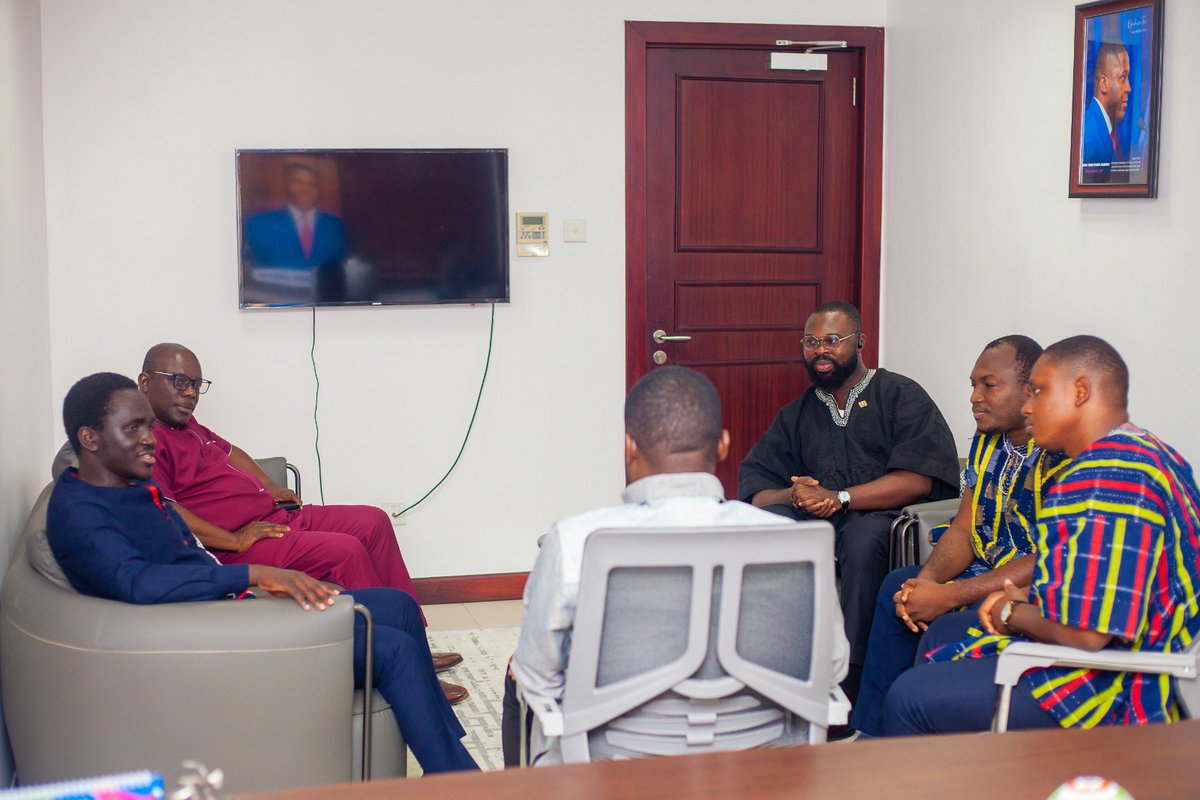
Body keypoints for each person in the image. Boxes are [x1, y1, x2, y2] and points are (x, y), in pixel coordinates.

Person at [46, 372, 478, 773]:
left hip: (233, 612)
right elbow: (137, 583)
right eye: (134, 429)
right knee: (393, 649)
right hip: (218, 642)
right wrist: (250, 575)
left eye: (148, 427)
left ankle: (449, 755)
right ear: (90, 438)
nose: (149, 440)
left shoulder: (127, 484)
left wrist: (253, 589)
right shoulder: (79, 515)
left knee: (398, 606)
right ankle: (458, 782)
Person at [506, 366, 849, 764]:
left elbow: (538, 678)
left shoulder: (576, 539)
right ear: (722, 445)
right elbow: (833, 665)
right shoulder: (793, 542)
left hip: (612, 773)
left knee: (517, 674)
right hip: (763, 769)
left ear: (629, 447)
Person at [883, 336, 1200, 735]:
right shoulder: (1145, 452)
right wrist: (1030, 599)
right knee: (945, 633)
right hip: (1122, 648)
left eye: (1039, 391)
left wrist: (1009, 612)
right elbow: (1112, 582)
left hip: (1118, 687)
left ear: (1080, 392)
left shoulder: (1104, 478)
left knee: (910, 697)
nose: (1029, 407)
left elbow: (1087, 634)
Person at [137, 342, 466, 702]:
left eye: (197, 385)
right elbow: (165, 510)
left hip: (275, 518)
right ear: (144, 381)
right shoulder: (145, 439)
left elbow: (233, 454)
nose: (190, 394)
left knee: (374, 522)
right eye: (179, 381)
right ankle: (396, 666)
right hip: (242, 545)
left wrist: (271, 485)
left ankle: (414, 641)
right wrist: (235, 541)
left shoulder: (188, 425)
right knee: (345, 551)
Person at [737, 301, 959, 708]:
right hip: (820, 524)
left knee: (863, 536)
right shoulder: (796, 415)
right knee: (780, 525)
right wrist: (795, 494)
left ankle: (849, 681)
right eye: (811, 341)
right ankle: (781, 665)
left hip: (881, 523)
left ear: (860, 341)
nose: (820, 350)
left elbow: (917, 478)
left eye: (832, 340)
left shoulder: (899, 395)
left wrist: (839, 497)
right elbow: (756, 490)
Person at [851, 335, 1065, 737]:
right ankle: (872, 733)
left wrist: (947, 597)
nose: (974, 397)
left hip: (1022, 591)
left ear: (1029, 390)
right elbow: (965, 527)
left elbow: (1049, 560)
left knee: (943, 617)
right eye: (972, 384)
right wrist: (927, 586)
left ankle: (918, 731)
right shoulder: (987, 441)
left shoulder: (1059, 452)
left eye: (989, 385)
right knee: (900, 587)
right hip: (986, 571)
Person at [243, 162, 346, 272]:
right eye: (297, 182)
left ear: (319, 189)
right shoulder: (257, 223)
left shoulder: (336, 226)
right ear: (286, 186)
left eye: (312, 184)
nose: (305, 189)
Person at [1081, 42, 1131, 183]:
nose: (1129, 88)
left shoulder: (1099, 128)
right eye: (1123, 77)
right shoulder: (1091, 138)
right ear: (1104, 84)